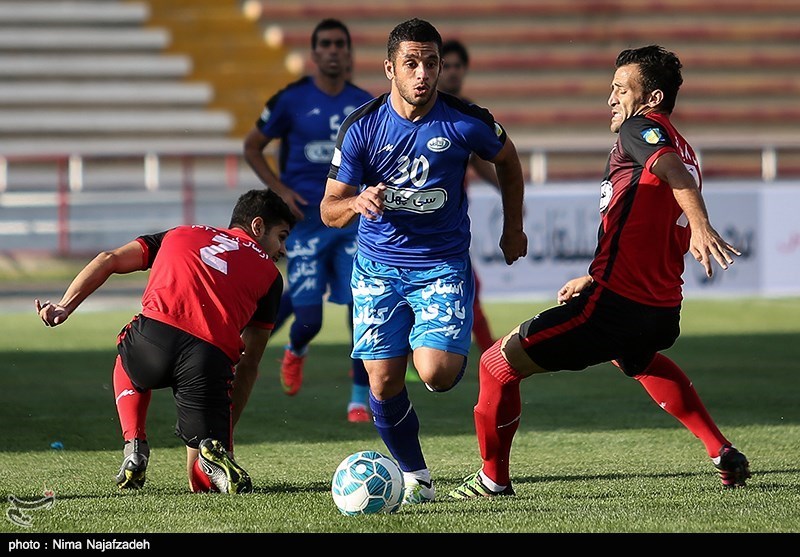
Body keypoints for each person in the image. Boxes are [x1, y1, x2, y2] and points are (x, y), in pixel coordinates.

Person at [448, 45, 751, 500]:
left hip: (616, 307)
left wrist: (702, 226)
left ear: (651, 99)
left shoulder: (640, 130)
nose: (610, 98)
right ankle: (721, 450)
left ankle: (493, 480)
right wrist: (593, 275)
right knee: (636, 358)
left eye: (620, 89)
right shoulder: (683, 146)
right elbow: (647, 221)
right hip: (661, 309)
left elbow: (673, 176)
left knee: (495, 365)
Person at [320, 18, 527, 504]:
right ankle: (417, 477)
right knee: (383, 380)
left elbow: (509, 160)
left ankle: (437, 352)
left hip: (440, 264)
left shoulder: (465, 120)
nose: (422, 74)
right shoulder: (361, 128)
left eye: (430, 63)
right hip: (376, 268)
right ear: (389, 68)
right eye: (411, 64)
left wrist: (512, 227)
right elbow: (329, 208)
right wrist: (355, 203)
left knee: (434, 373)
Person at [35, 189, 297, 494]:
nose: (283, 249)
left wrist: (66, 305)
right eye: (282, 236)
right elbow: (249, 364)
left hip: (152, 341)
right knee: (201, 481)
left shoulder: (180, 233)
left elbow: (108, 259)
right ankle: (210, 450)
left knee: (126, 356)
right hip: (208, 360)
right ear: (257, 227)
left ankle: (134, 444)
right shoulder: (270, 276)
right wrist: (225, 432)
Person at [243, 18, 374, 423]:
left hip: (350, 222)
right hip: (303, 226)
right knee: (310, 318)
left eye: (340, 44)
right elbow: (252, 147)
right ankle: (296, 348)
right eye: (326, 45)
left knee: (360, 307)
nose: (334, 51)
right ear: (315, 54)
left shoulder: (367, 103)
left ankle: (358, 398)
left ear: (348, 53)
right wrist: (278, 188)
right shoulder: (290, 100)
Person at [439, 38, 498, 353]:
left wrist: (505, 189)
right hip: (419, 219)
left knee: (469, 285)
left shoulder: (468, 115)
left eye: (457, 66)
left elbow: (478, 160)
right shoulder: (419, 111)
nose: (451, 73)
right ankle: (492, 353)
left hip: (452, 218)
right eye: (445, 66)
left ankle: (491, 354)